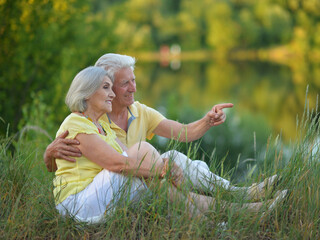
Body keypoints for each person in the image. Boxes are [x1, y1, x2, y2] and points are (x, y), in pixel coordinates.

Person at [54, 66, 287, 223]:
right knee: (145, 153)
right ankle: (222, 218)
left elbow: (180, 134)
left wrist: (164, 167)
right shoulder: (76, 122)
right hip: (76, 204)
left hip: (95, 195)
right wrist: (162, 169)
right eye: (107, 88)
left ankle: (238, 210)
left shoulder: (99, 125)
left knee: (164, 166)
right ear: (86, 93)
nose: (113, 94)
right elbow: (117, 162)